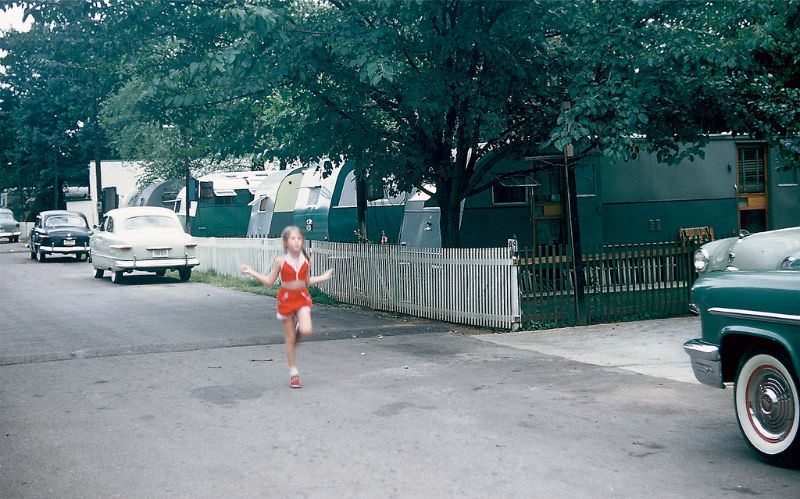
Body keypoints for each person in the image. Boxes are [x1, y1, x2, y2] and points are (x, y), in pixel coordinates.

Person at [240, 226, 334, 388]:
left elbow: (306, 281)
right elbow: (270, 282)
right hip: (286, 299)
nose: (297, 241)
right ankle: (294, 373)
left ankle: (298, 327)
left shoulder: (306, 259)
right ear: (285, 242)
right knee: (290, 339)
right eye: (293, 238)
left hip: (302, 297)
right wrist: (252, 272)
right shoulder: (280, 261)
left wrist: (323, 277)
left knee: (306, 330)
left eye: (299, 238)